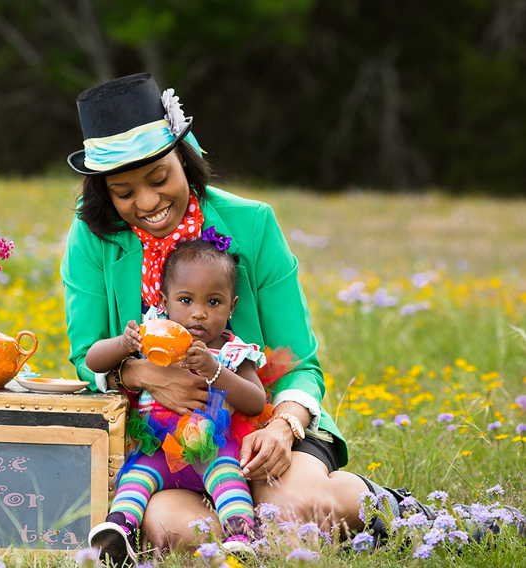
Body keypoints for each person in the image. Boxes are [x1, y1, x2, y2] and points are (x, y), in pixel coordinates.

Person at [59, 73, 516, 558]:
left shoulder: (252, 223)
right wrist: (146, 373)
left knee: (295, 509)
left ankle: (400, 514)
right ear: (103, 191)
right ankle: (302, 527)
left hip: (267, 421)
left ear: (185, 161)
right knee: (177, 530)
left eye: (159, 179)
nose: (147, 202)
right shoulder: (91, 241)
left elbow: (300, 361)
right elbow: (84, 357)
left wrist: (283, 426)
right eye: (124, 191)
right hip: (171, 446)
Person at [85, 235, 275, 564]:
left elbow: (256, 402)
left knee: (228, 477)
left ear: (232, 306)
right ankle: (119, 533)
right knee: (135, 479)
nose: (199, 314)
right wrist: (125, 344)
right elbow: (93, 360)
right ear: (164, 301)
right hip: (157, 448)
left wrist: (217, 371)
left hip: (212, 450)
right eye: (186, 300)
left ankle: (241, 537)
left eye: (213, 303)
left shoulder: (232, 352)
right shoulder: (154, 335)